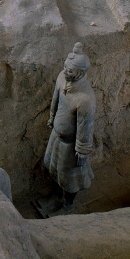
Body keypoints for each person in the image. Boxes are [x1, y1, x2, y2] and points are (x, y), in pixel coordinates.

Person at [44, 42, 96, 212]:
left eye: (70, 70)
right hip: (56, 137)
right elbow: (55, 100)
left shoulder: (85, 99)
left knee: (69, 180)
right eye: (65, 67)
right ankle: (55, 198)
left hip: (70, 145)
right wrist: (52, 116)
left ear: (80, 73)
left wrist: (82, 150)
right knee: (54, 170)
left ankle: (67, 206)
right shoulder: (61, 78)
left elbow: (85, 127)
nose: (66, 71)